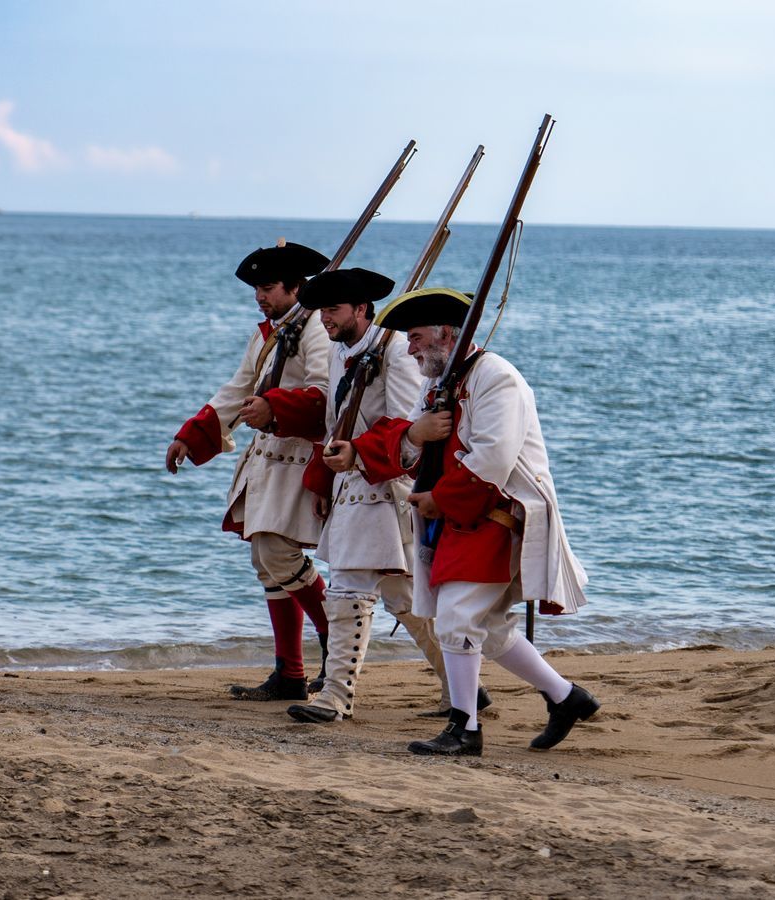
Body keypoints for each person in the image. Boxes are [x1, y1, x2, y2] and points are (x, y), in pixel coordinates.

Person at [367, 286, 600, 756]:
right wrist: (417, 436)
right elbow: (412, 449)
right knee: (488, 628)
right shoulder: (439, 384)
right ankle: (566, 697)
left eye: (414, 338)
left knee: (456, 618)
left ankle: (465, 728)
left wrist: (436, 498)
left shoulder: (497, 377)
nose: (408, 348)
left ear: (445, 335)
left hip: (496, 512)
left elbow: (493, 459)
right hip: (460, 514)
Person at [268, 268, 456, 724]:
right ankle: (462, 685)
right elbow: (336, 424)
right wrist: (323, 481)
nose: (325, 319)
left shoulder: (393, 351)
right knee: (401, 596)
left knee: (352, 591)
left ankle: (336, 695)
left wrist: (357, 455)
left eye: (332, 310)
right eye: (321, 310)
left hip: (383, 485)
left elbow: (407, 425)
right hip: (351, 486)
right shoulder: (340, 352)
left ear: (360, 309)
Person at [165, 241, 333, 701]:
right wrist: (191, 433)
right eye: (257, 288)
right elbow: (240, 388)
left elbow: (323, 394)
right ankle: (291, 673)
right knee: (266, 562)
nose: (260, 296)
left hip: (298, 454)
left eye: (267, 287)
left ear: (294, 287)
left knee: (278, 554)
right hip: (267, 456)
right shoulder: (269, 333)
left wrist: (273, 407)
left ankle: (333, 640)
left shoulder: (317, 327)